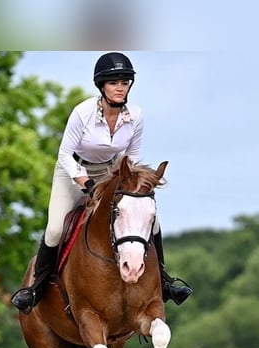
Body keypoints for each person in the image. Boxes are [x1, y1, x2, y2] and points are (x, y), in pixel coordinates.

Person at [11, 52, 193, 313]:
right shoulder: (82, 113)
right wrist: (85, 183)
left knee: (153, 223)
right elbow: (64, 154)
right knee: (54, 229)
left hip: (112, 171)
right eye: (114, 83)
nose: (120, 88)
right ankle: (36, 289)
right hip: (74, 171)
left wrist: (130, 182)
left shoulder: (136, 116)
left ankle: (165, 281)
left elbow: (132, 156)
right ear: (102, 86)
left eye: (125, 82)